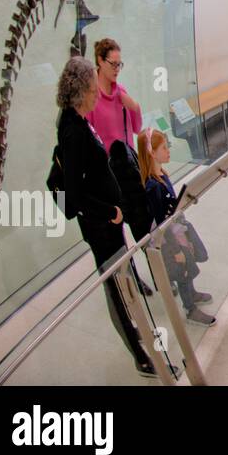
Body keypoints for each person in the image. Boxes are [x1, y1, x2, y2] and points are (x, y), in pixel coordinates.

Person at [56, 56, 156, 378]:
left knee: (123, 275)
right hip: (100, 225)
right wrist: (108, 211)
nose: (97, 90)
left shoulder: (81, 120)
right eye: (92, 84)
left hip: (110, 222)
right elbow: (72, 197)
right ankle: (137, 352)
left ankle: (136, 331)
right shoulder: (72, 130)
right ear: (82, 88)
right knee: (113, 284)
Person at [87, 38, 152, 293]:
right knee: (118, 233)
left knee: (141, 223)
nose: (116, 69)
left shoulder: (120, 92)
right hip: (108, 177)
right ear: (100, 62)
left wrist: (133, 106)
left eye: (119, 64)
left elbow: (136, 128)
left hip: (128, 172)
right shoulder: (91, 99)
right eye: (113, 64)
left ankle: (159, 271)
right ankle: (132, 279)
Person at [136, 129, 216, 326]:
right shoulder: (153, 187)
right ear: (152, 153)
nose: (169, 150)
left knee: (188, 266)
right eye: (164, 147)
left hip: (177, 232)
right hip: (171, 240)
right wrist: (176, 249)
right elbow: (162, 223)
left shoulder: (161, 175)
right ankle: (190, 309)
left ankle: (192, 293)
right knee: (183, 271)